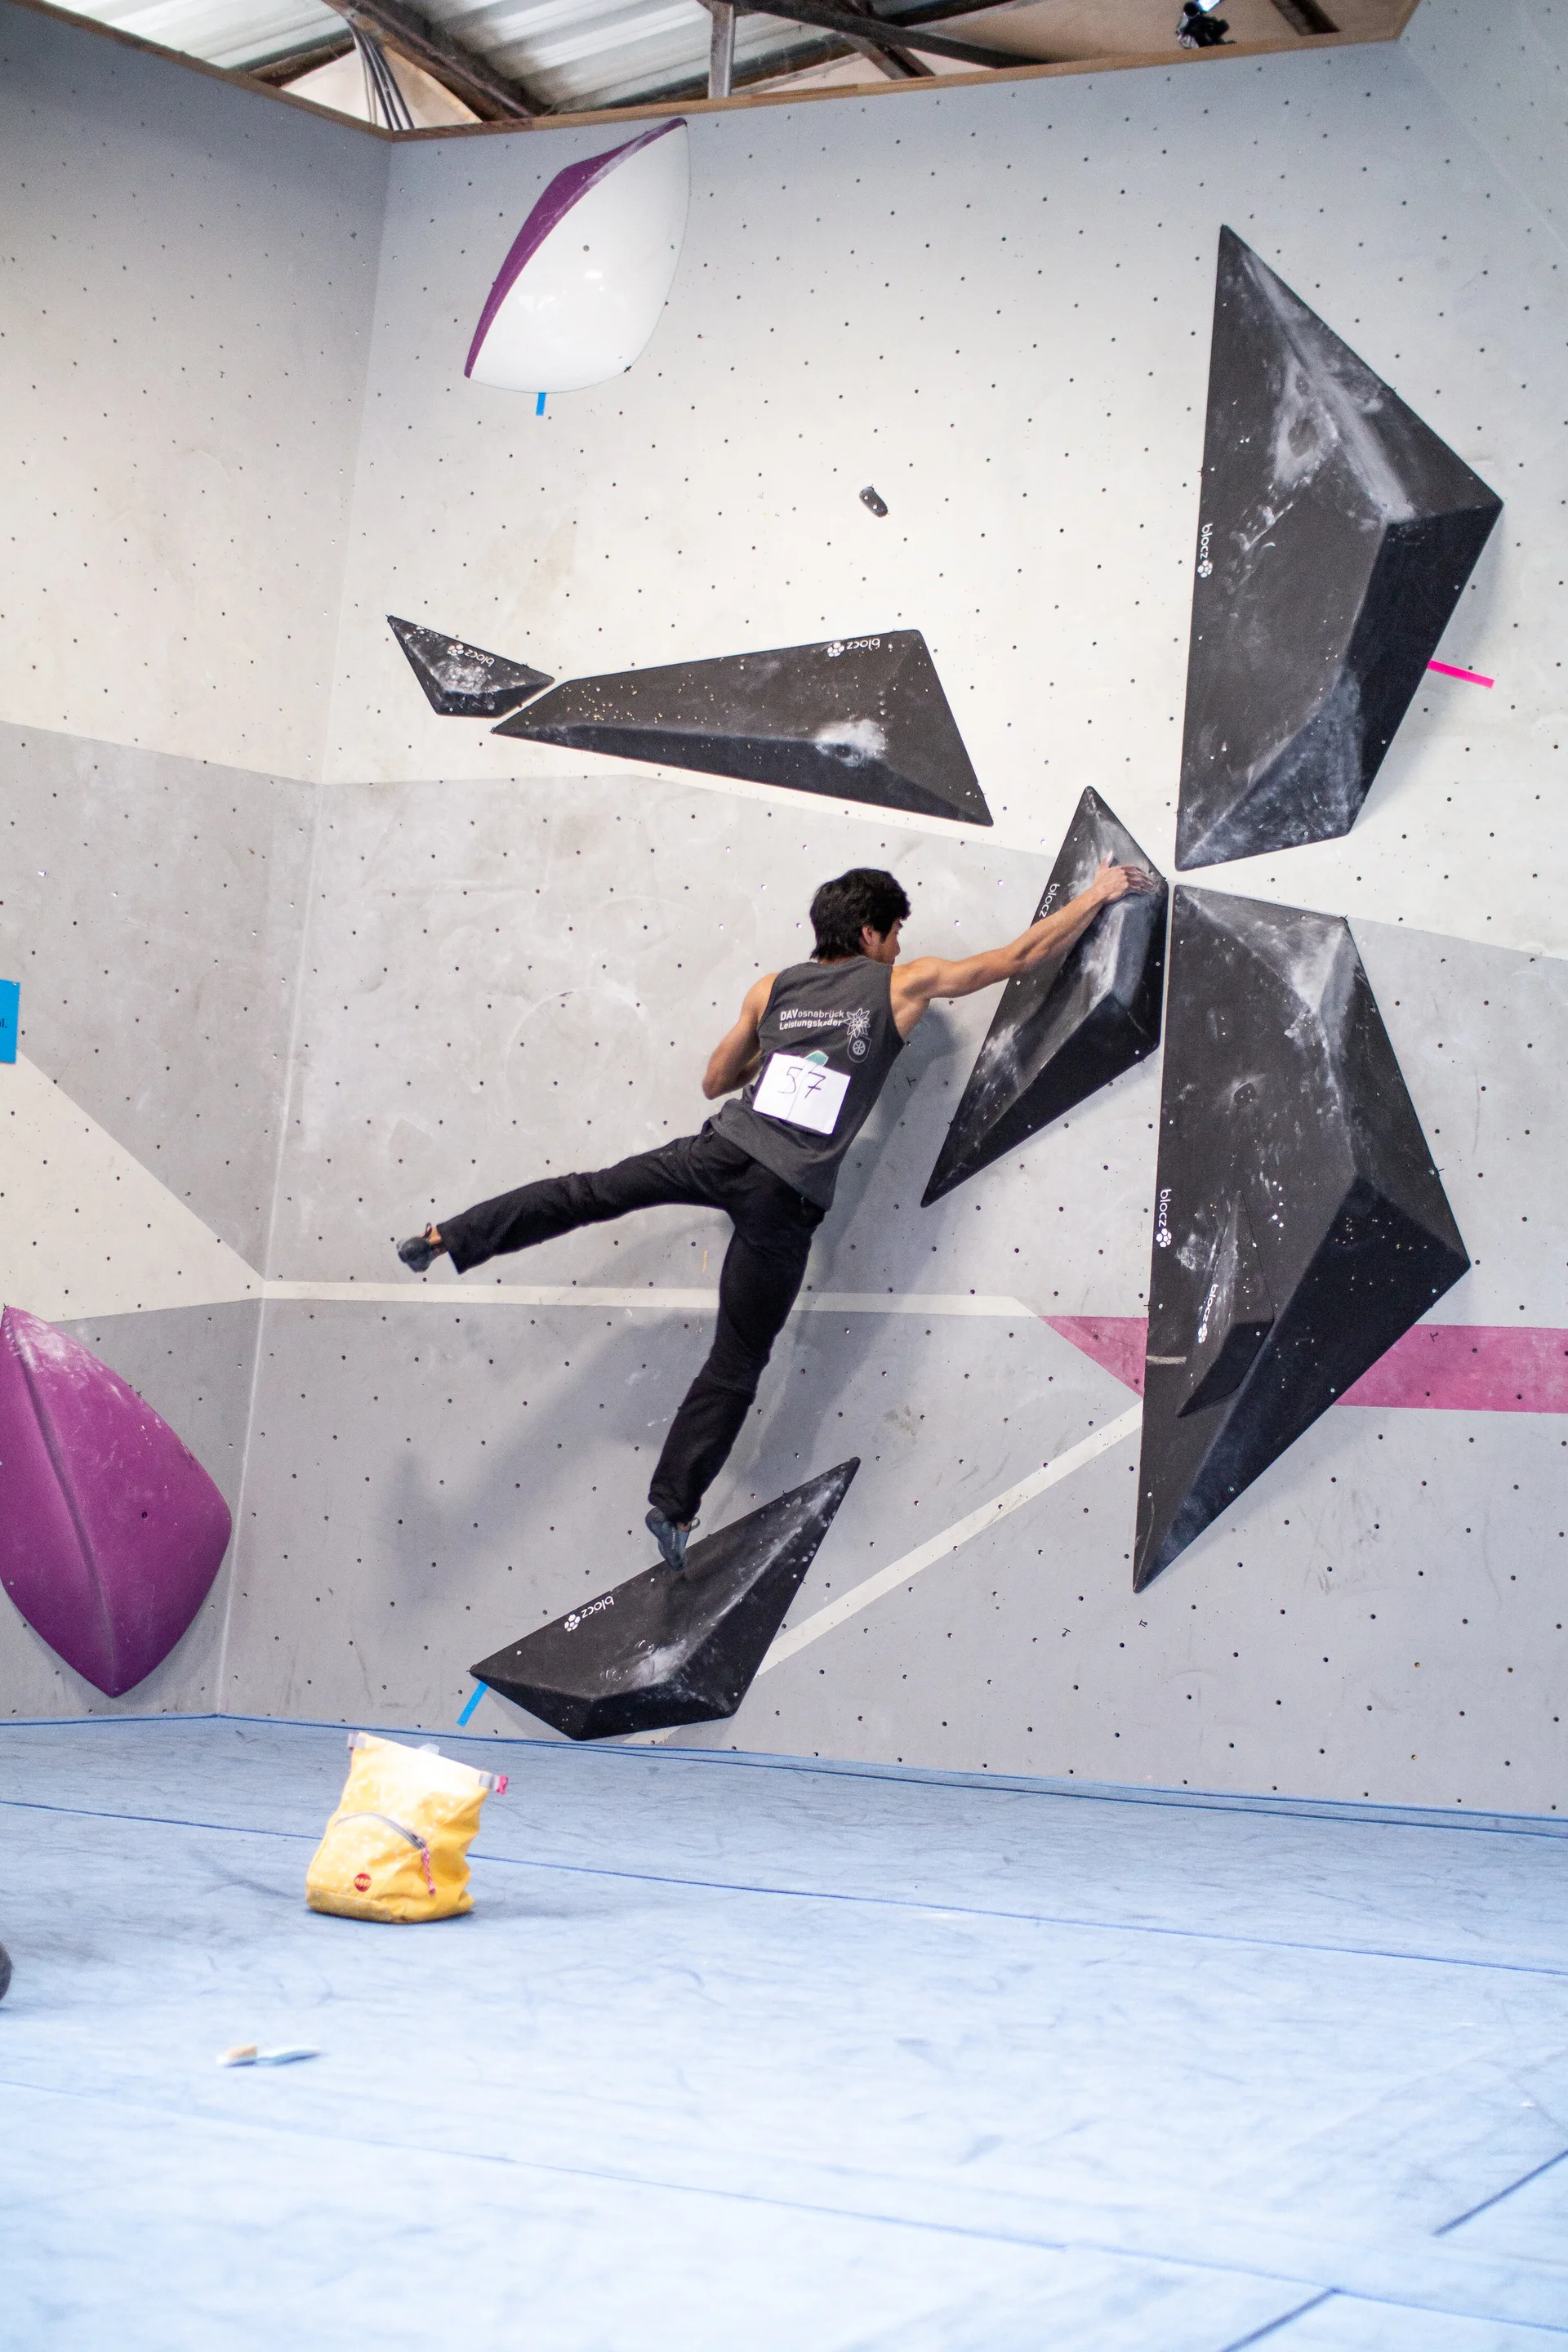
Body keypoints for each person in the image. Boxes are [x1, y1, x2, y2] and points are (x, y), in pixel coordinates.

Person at [398, 858, 1156, 1567]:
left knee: (585, 1192)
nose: (900, 947)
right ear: (870, 934)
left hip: (721, 1151)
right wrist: (1096, 895)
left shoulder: (773, 988)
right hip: (783, 1197)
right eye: (894, 933)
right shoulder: (901, 984)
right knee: (737, 1360)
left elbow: (714, 1080)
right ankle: (672, 1508)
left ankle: (447, 1236)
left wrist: (785, 1050)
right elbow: (1018, 959)